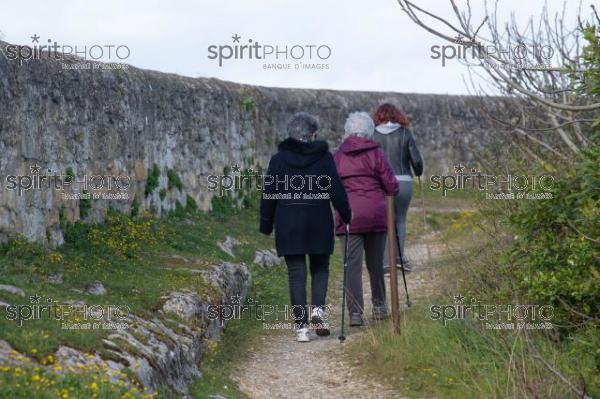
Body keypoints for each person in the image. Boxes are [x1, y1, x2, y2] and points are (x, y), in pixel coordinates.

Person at [260, 112, 352, 342]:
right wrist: (346, 214)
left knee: (296, 274)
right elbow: (337, 190)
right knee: (320, 267)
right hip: (318, 219)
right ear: (314, 134)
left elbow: (269, 194)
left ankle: (301, 329)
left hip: (288, 221)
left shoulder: (278, 160)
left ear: (291, 133)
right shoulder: (325, 158)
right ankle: (318, 311)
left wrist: (266, 223)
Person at [334, 112, 399, 326]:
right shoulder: (377, 154)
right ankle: (380, 306)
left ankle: (354, 313)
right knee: (375, 264)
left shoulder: (338, 156)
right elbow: (391, 186)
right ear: (370, 131)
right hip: (375, 215)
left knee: (351, 266)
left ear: (347, 131)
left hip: (348, 216)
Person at [372, 103, 423, 274]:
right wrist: (418, 172)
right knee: (400, 219)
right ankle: (399, 260)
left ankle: (386, 264)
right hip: (403, 182)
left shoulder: (372, 134)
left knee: (385, 220)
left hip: (380, 182)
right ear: (397, 116)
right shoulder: (405, 133)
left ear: (378, 116)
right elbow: (416, 160)